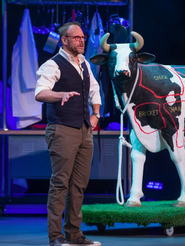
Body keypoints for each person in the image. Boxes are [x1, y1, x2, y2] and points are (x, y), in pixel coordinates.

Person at [35, 22, 101, 246]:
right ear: (64, 40)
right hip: (62, 129)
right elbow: (40, 93)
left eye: (83, 37)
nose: (82, 41)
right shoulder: (52, 64)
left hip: (84, 129)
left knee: (79, 185)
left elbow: (94, 88)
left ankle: (74, 234)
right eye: (76, 38)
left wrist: (96, 114)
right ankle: (56, 237)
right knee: (60, 184)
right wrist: (59, 94)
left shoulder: (84, 63)